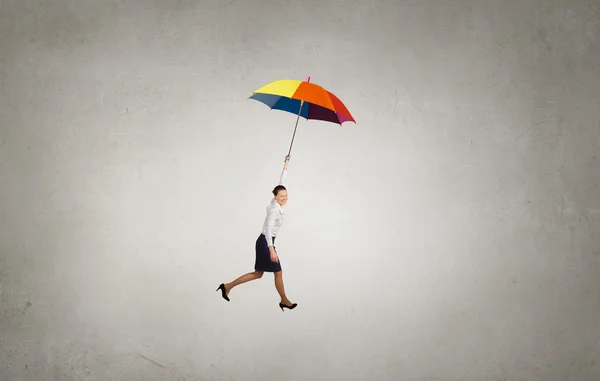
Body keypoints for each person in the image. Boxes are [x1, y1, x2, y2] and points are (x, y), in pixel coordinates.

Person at [216, 155, 297, 312]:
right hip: (266, 242)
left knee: (258, 273)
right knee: (278, 273)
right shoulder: (274, 209)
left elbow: (281, 182)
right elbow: (267, 230)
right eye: (282, 196)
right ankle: (284, 301)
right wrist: (271, 249)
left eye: (286, 196)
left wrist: (286, 164)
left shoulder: (275, 201)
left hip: (264, 242)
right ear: (275, 197)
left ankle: (227, 286)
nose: (284, 198)